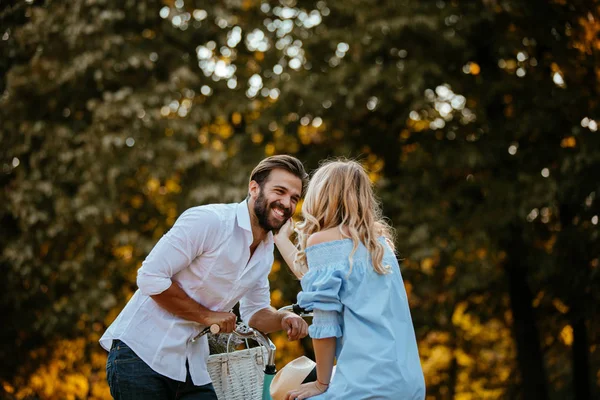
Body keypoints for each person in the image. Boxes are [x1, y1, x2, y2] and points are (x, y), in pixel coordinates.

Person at [100, 155, 310, 400]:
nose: (286, 203)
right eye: (280, 191)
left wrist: (283, 317)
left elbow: (255, 313)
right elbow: (150, 277)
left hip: (193, 367)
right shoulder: (210, 221)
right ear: (254, 188)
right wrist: (208, 316)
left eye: (294, 198)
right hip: (141, 357)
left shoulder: (265, 253)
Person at [274, 159, 426, 400]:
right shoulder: (379, 242)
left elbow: (325, 321)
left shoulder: (324, 241)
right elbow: (313, 277)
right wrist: (281, 240)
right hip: (407, 382)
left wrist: (321, 383)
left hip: (367, 383)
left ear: (320, 196)